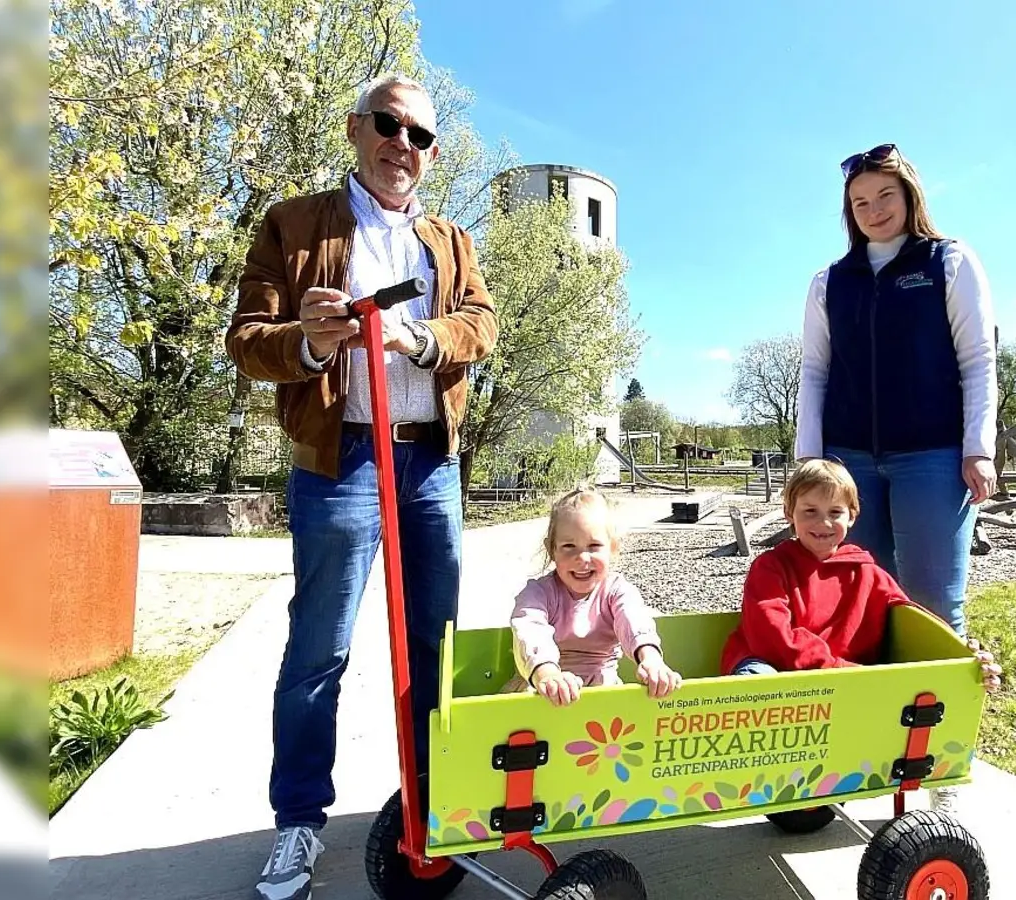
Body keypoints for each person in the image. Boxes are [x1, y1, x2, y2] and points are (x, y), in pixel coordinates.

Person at [225, 73, 497, 900]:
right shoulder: (295, 223)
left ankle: (435, 804)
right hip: (340, 462)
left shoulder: (447, 241)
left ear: (431, 152)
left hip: (429, 464)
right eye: (388, 125)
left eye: (418, 135)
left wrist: (421, 339)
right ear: (356, 128)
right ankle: (299, 824)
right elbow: (246, 339)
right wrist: (308, 343)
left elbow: (480, 324)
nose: (401, 146)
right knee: (321, 648)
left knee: (433, 649)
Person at [794, 143, 999, 642]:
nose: (875, 210)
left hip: (933, 457)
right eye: (860, 202)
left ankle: (937, 716)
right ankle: (873, 716)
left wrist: (979, 448)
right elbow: (814, 372)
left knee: (933, 604)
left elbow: (978, 360)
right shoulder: (830, 282)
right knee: (856, 599)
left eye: (885, 195)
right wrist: (808, 461)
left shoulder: (948, 262)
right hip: (848, 463)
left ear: (909, 196)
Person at [721, 458, 1002, 688]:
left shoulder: (866, 571)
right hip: (775, 664)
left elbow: (915, 618)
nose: (823, 522)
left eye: (835, 511)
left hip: (845, 677)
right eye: (809, 511)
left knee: (907, 689)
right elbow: (770, 637)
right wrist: (835, 668)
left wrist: (961, 651)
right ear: (789, 513)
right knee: (758, 683)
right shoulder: (771, 567)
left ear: (852, 516)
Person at [507, 488, 682, 705]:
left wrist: (651, 660)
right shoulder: (538, 594)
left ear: (613, 548)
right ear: (552, 550)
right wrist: (548, 674)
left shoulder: (616, 590)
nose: (582, 557)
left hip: (601, 687)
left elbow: (635, 622)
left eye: (594, 546)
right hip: (542, 689)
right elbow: (530, 631)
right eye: (568, 546)